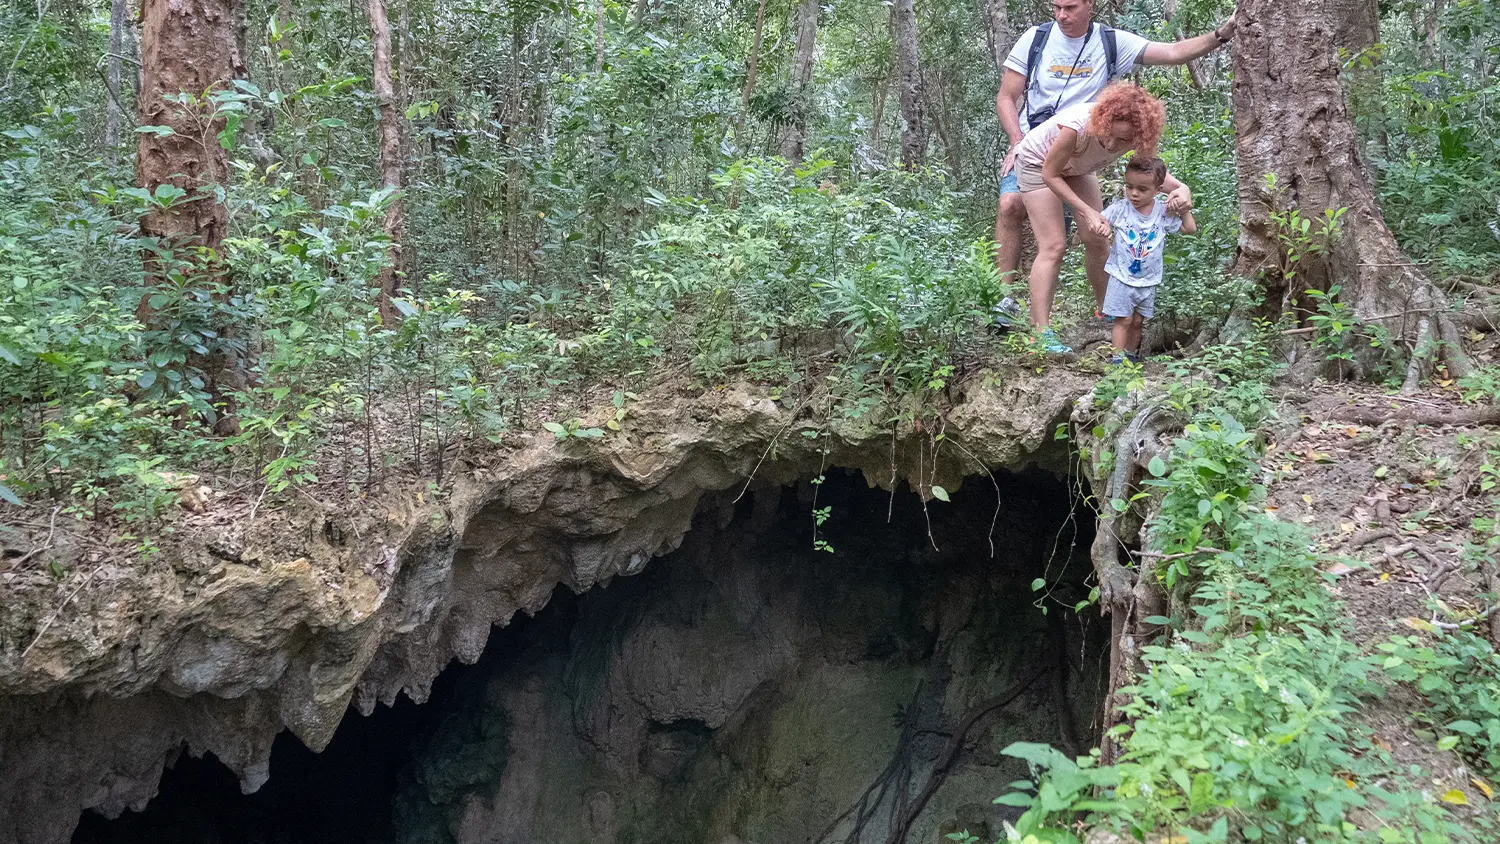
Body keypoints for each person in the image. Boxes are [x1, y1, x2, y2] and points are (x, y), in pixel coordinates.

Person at [993, 1, 1233, 287]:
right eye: (1056, 7)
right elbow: (1006, 96)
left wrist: (1223, 33)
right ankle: (1000, 298)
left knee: (1091, 233)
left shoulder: (1110, 42)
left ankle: (1103, 308)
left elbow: (1173, 52)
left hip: (1084, 144)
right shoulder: (1036, 38)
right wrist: (1015, 141)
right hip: (1035, 141)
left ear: (1089, 5)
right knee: (1011, 204)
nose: (1061, 15)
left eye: (1069, 7)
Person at [1011, 82, 1190, 352]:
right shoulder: (1077, 127)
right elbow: (1050, 174)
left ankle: (1106, 307)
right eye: (1111, 135)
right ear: (1104, 120)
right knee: (1054, 245)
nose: (1113, 144)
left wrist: (1183, 190)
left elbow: (1154, 177)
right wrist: (1087, 211)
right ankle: (1041, 332)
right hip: (1039, 165)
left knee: (1097, 238)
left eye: (1123, 141)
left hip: (1079, 167)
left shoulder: (1135, 137)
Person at [1100, 155, 1196, 363]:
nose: (1134, 194)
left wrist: (1183, 208)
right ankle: (1116, 360)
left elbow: (1189, 229)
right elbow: (1099, 220)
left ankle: (1130, 356)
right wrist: (1103, 228)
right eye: (1129, 187)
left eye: (1142, 189)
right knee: (1123, 319)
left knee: (1137, 321)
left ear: (1158, 190)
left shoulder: (1163, 212)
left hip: (1148, 279)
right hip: (1121, 276)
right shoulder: (1120, 209)